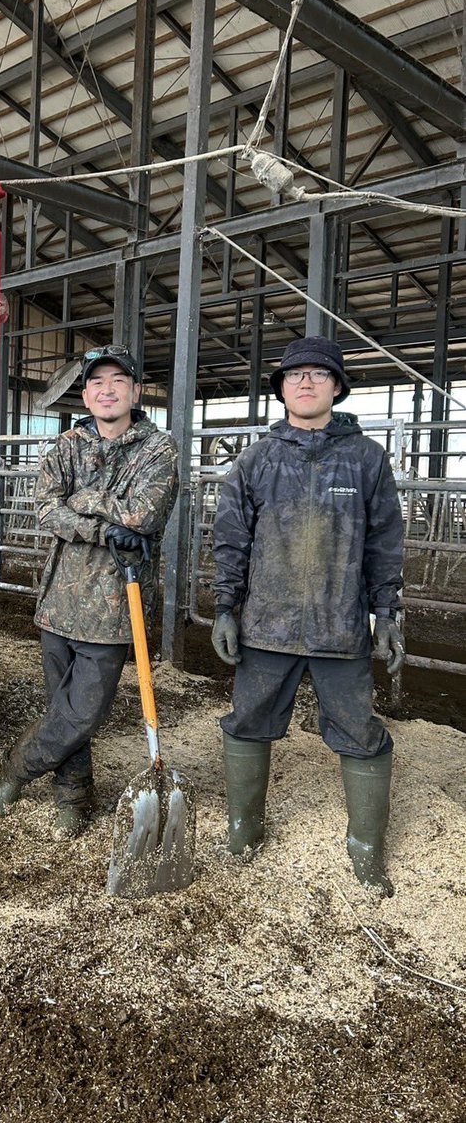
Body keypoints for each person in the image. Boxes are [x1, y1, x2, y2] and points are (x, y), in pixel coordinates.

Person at [211, 335, 405, 896]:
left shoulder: (366, 458)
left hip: (341, 626)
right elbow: (231, 539)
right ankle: (244, 829)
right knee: (247, 722)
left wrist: (385, 612)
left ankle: (365, 846)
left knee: (360, 732)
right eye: (294, 375)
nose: (305, 381)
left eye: (319, 374)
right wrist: (226, 606)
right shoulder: (257, 459)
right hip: (267, 625)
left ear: (337, 387)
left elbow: (385, 540)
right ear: (281, 389)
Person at [0, 345, 178, 839]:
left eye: (118, 380)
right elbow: (46, 510)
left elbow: (145, 514)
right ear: (86, 393)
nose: (107, 389)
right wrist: (99, 524)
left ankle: (18, 765)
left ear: (136, 392)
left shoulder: (158, 448)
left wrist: (81, 499)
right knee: (64, 710)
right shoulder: (67, 446)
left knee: (82, 712)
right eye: (97, 382)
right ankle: (72, 796)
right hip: (58, 600)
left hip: (118, 604)